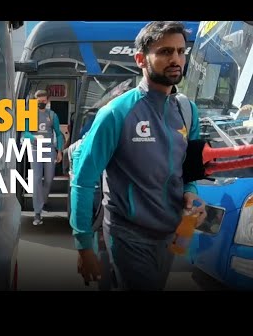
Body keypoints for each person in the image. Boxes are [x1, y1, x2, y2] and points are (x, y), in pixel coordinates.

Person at [69, 21, 207, 290]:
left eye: (181, 51)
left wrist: (190, 194)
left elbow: (188, 171)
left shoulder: (188, 111)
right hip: (127, 235)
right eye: (165, 52)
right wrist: (84, 245)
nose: (176, 59)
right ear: (141, 59)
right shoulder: (116, 113)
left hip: (169, 236)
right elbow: (83, 180)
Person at [23, 90, 63, 225]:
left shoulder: (52, 115)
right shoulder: (29, 115)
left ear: (47, 100)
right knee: (36, 179)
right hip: (35, 149)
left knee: (49, 180)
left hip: (49, 149)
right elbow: (25, 133)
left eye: (43, 100)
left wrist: (59, 151)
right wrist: (34, 137)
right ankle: (37, 213)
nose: (41, 103)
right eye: (39, 101)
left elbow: (58, 134)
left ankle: (42, 201)